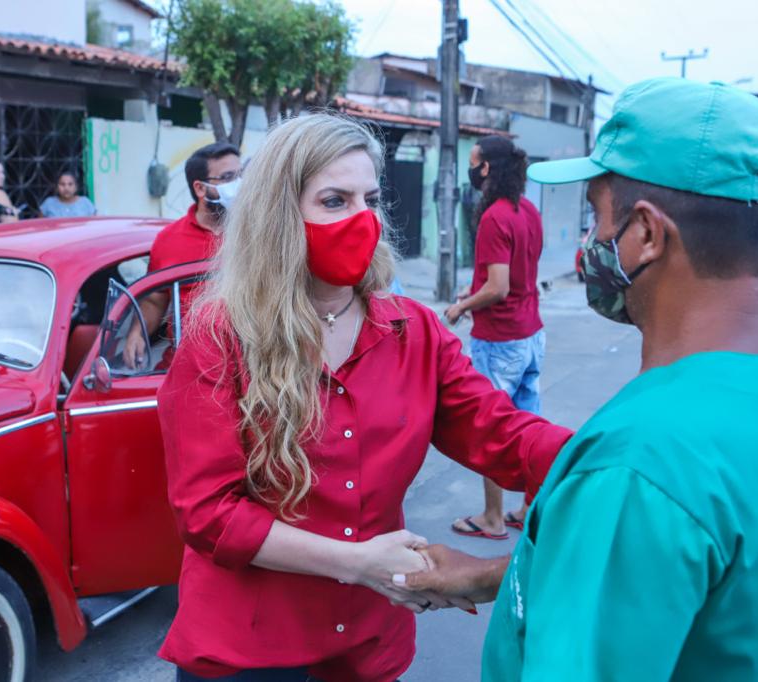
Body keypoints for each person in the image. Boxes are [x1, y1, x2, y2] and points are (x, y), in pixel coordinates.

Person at [398, 78, 758, 682]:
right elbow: (697, 586)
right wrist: (492, 574)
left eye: (596, 213)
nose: (592, 240)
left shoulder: (635, 466)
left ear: (645, 234)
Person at [156, 113, 573, 681]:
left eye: (370, 200)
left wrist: (608, 461)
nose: (362, 218)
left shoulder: (413, 331)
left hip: (367, 643)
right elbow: (209, 512)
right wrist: (356, 562)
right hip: (249, 646)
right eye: (334, 201)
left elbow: (503, 432)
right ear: (279, 215)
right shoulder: (219, 336)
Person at [445, 135, 542, 540]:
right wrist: (473, 292)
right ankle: (528, 510)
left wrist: (460, 308)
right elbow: (515, 276)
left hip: (500, 340)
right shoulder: (528, 210)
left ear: (485, 168)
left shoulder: (494, 217)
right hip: (531, 334)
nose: (471, 170)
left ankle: (492, 518)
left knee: (492, 428)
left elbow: (499, 287)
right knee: (529, 426)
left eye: (473, 163)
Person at [122, 142, 242, 369]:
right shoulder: (170, 239)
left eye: (241, 174)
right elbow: (155, 300)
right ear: (200, 188)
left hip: (245, 363)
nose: (239, 184)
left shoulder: (255, 231)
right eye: (228, 177)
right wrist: (137, 333)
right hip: (188, 365)